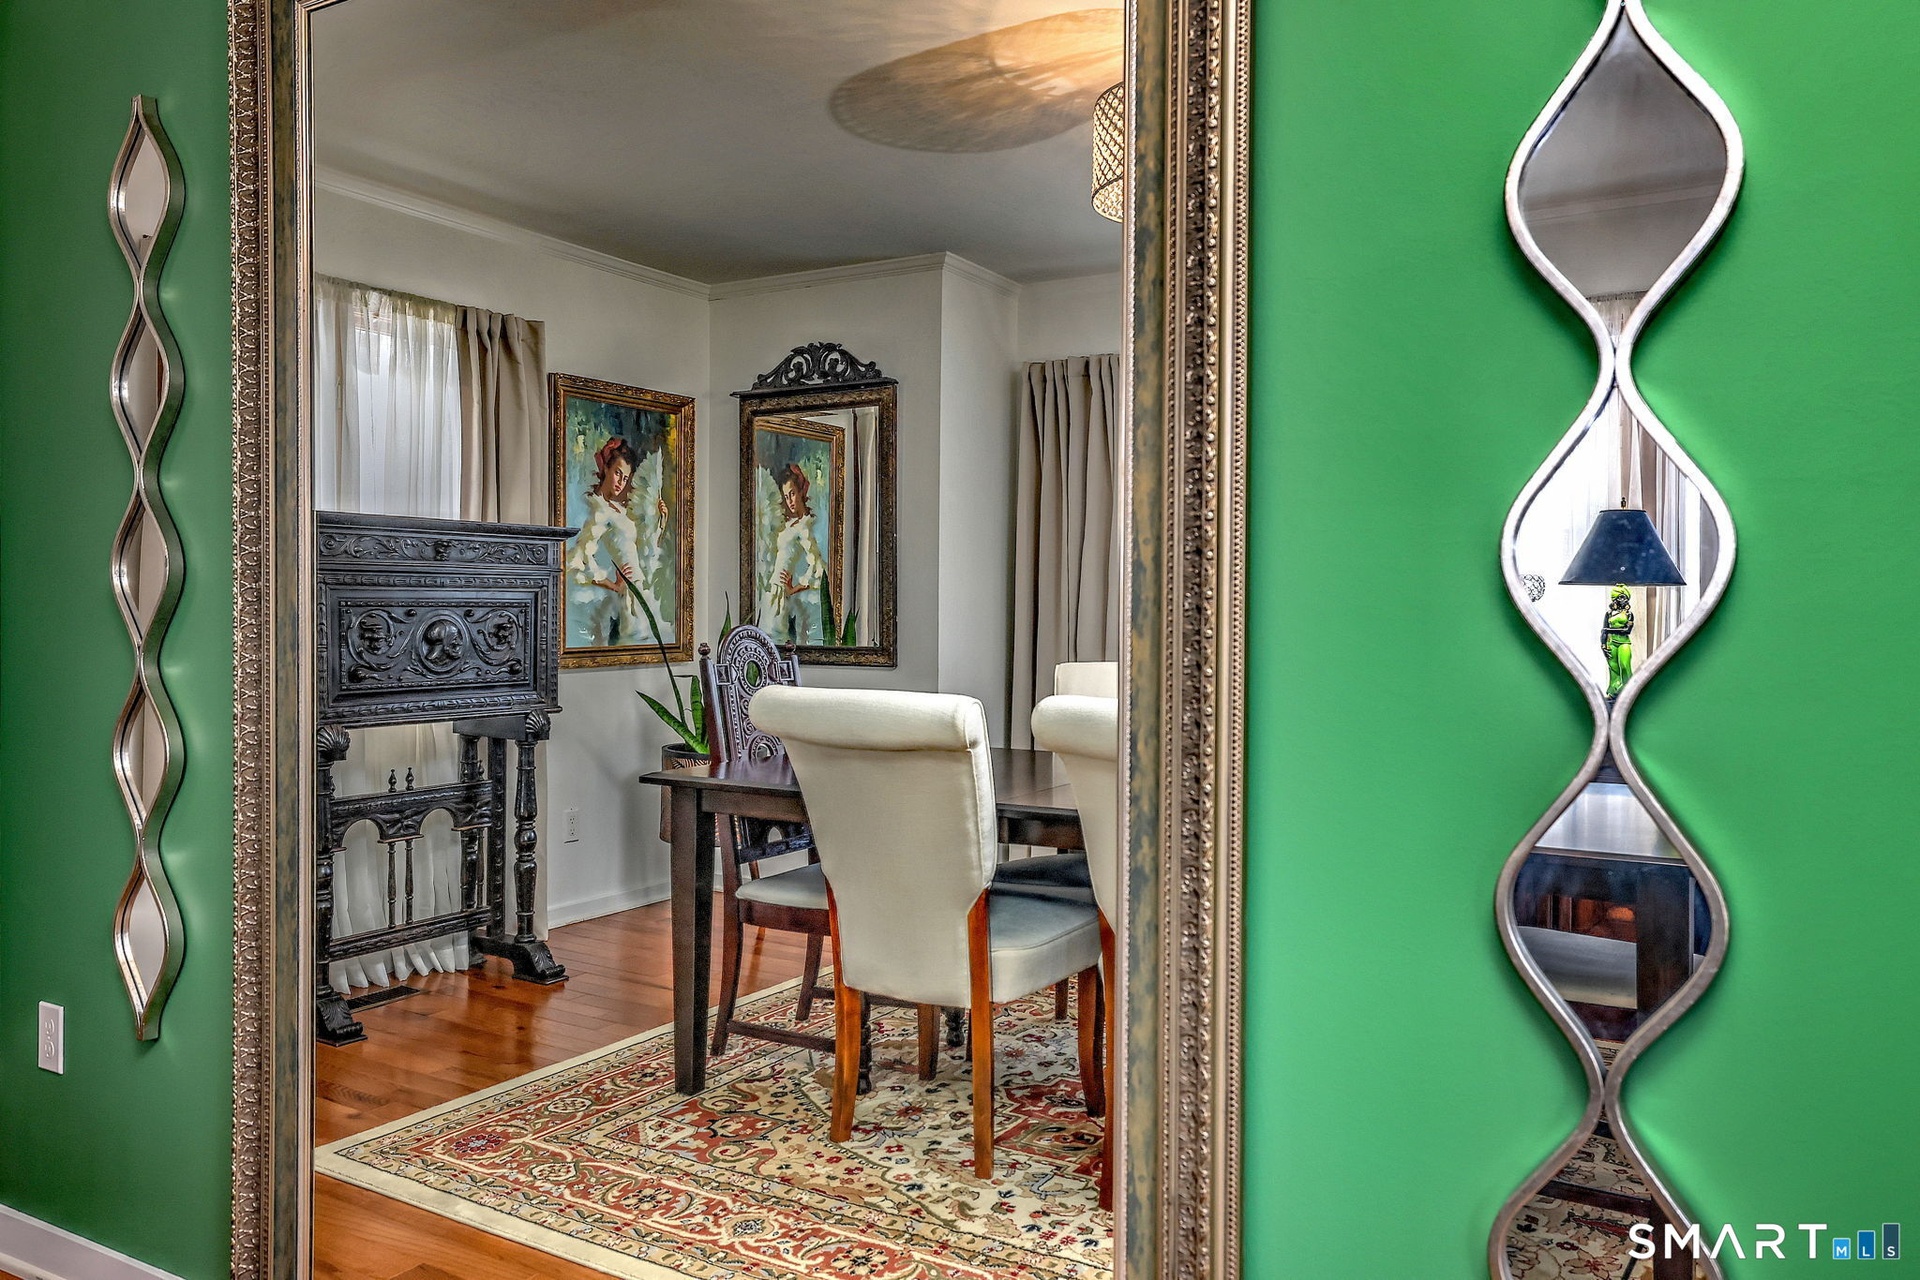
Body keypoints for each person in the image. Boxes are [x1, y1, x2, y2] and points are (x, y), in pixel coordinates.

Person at [567, 437, 668, 646]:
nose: (621, 482)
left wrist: (662, 520)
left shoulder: (620, 510)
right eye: (617, 473)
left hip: (641, 588)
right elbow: (578, 559)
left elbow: (642, 548)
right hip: (627, 594)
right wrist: (612, 585)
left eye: (626, 477)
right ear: (606, 469)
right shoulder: (599, 510)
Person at [756, 462, 826, 644]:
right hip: (772, 592)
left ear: (801, 491)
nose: (790, 501)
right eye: (786, 496)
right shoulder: (788, 524)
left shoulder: (804, 526)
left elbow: (818, 566)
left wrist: (795, 588)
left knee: (776, 643)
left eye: (792, 493)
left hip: (782, 595)